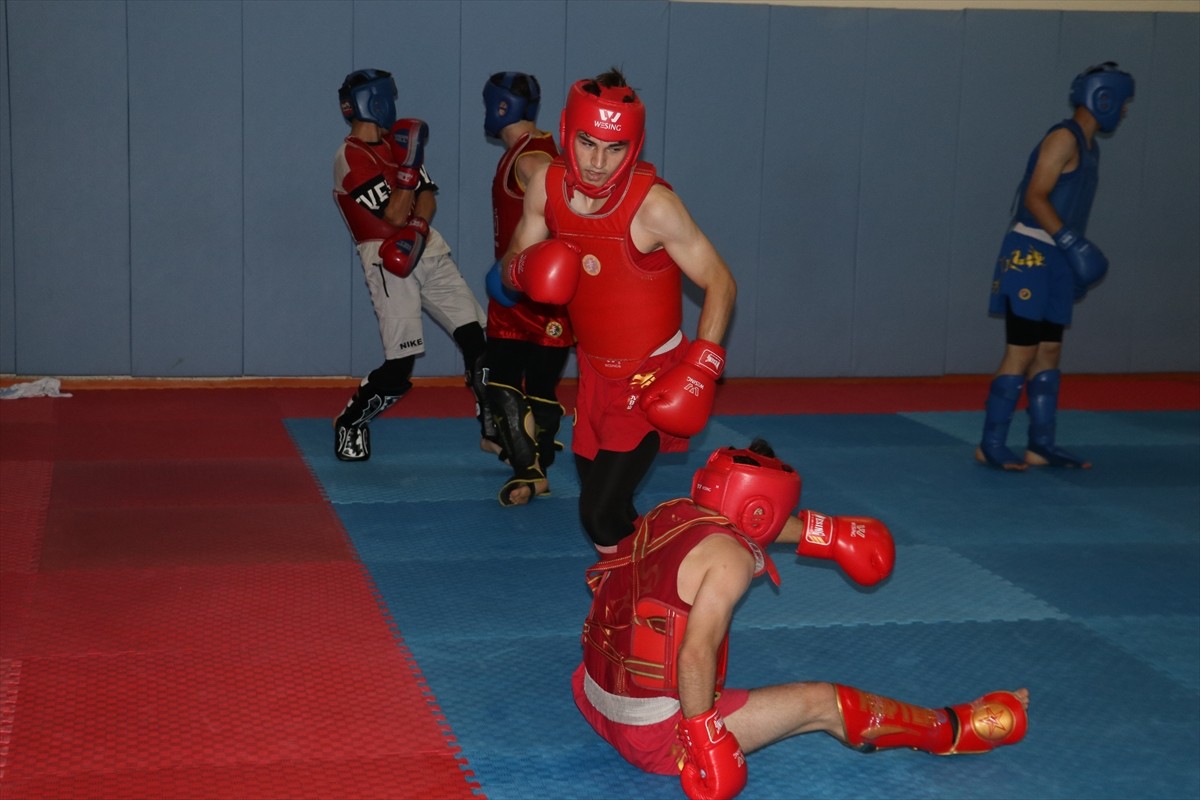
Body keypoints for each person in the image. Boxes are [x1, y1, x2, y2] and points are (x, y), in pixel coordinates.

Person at [575, 440, 1028, 800]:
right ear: (761, 510)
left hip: (594, 698)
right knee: (820, 703)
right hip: (654, 735)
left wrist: (828, 534)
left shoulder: (670, 511)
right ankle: (951, 728)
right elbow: (695, 655)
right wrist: (704, 738)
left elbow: (745, 521)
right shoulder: (729, 559)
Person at [500, 68, 737, 550]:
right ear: (566, 132)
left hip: (651, 374)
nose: (598, 163)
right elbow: (509, 262)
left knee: (598, 513)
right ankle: (673, 574)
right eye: (587, 143)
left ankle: (627, 605)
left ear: (636, 146)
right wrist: (523, 270)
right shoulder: (545, 187)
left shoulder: (654, 207)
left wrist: (701, 367)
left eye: (615, 149)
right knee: (609, 501)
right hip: (593, 372)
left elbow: (720, 281)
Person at [978, 62, 1135, 471]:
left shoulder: (1090, 146)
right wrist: (1071, 242)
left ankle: (1040, 444)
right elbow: (1035, 196)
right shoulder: (1063, 138)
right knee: (1022, 351)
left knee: (1049, 350)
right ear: (1104, 96)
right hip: (1031, 253)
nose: (1124, 112)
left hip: (1059, 258)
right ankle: (989, 443)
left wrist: (1069, 252)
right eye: (1123, 103)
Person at [332, 68, 494, 461]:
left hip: (428, 250)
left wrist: (418, 226)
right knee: (400, 365)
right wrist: (408, 184)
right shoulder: (349, 157)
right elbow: (392, 215)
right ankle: (351, 421)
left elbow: (427, 197)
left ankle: (493, 423)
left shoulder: (397, 142)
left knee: (478, 339)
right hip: (388, 263)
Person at [480, 71, 574, 505]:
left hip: (522, 289)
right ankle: (539, 455)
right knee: (537, 384)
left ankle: (530, 470)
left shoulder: (529, 159)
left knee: (501, 380)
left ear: (500, 107)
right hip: (549, 291)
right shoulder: (540, 145)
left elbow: (560, 195)